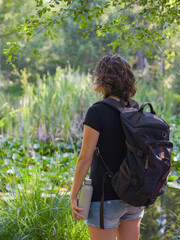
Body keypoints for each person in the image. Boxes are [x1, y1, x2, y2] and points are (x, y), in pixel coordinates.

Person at [70, 55, 145, 240]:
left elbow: (85, 158)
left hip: (105, 198)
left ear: (102, 79)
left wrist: (73, 194)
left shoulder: (97, 112)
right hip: (134, 195)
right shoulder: (135, 109)